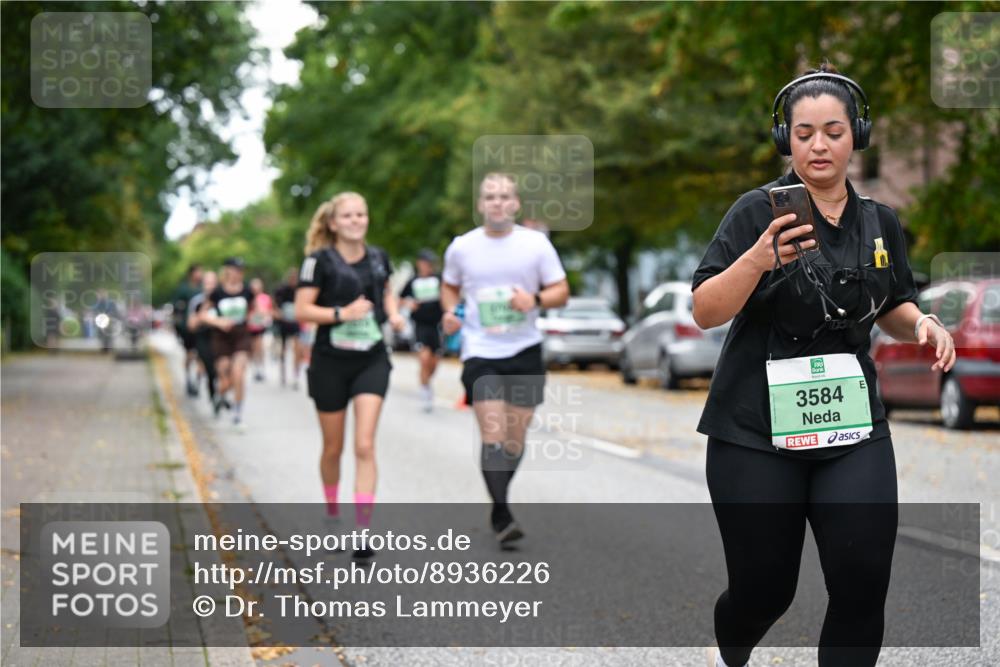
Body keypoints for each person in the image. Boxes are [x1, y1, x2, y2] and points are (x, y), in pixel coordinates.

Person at [691, 64, 956, 667]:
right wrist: (757, 259)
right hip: (754, 433)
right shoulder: (756, 212)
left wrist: (921, 322)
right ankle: (729, 647)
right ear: (786, 139)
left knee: (862, 582)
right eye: (804, 132)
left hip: (851, 428)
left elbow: (890, 301)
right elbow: (706, 308)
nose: (818, 144)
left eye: (833, 131)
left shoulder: (880, 221)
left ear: (856, 136)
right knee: (765, 591)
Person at [441, 172, 569, 546]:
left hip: (525, 349)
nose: (497, 202)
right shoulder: (462, 247)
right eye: (490, 197)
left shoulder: (536, 246)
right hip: (481, 351)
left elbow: (561, 290)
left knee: (514, 440)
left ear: (516, 204)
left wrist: (536, 300)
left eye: (504, 196)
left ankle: (499, 502)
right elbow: (450, 288)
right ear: (480, 205)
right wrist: (452, 314)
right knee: (493, 434)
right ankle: (502, 513)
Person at [294, 193, 405, 561]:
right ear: (333, 223)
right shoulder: (318, 261)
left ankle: (362, 531)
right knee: (333, 448)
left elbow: (386, 293)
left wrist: (395, 314)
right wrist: (343, 313)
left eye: (362, 213)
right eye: (348, 215)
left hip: (371, 360)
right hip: (329, 362)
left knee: (364, 445)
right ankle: (331, 511)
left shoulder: (378, 258)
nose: (357, 220)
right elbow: (303, 310)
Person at [201, 257, 256, 427]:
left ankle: (237, 414)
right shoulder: (216, 293)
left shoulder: (247, 291)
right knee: (226, 379)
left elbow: (253, 311)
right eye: (235, 269)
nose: (238, 273)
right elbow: (202, 315)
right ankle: (220, 395)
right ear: (227, 271)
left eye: (241, 270)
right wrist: (219, 322)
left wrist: (255, 318)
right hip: (221, 337)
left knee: (238, 373)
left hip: (241, 335)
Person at [399, 248, 445, 412]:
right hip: (420, 325)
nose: (428, 265)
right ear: (419, 263)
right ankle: (425, 392)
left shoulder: (438, 279)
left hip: (437, 325)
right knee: (424, 358)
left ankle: (427, 382)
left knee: (434, 362)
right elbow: (399, 299)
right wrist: (409, 304)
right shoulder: (413, 281)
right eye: (425, 262)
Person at [187, 270, 220, 406]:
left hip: (219, 338)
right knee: (209, 368)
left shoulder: (221, 299)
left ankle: (219, 394)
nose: (210, 286)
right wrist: (205, 307)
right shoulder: (197, 301)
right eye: (207, 283)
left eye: (213, 283)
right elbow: (191, 325)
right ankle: (211, 392)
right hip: (203, 337)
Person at [172, 264, 203, 395]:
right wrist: (178, 328)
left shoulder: (203, 288)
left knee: (202, 356)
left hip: (202, 327)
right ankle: (189, 379)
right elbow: (176, 308)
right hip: (187, 329)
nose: (200, 274)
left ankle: (197, 382)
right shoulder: (184, 289)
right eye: (198, 271)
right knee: (190, 354)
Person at [272, 268, 303, 388]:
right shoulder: (282, 290)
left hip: (295, 323)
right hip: (283, 323)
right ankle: (283, 373)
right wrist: (278, 312)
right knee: (282, 349)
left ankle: (296, 375)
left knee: (297, 349)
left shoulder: (300, 290)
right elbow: (274, 302)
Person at [247, 277, 273, 382]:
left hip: (261, 325)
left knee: (260, 346)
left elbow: (269, 310)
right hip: (251, 325)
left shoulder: (265, 298)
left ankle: (261, 368)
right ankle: (255, 368)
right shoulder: (249, 298)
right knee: (253, 347)